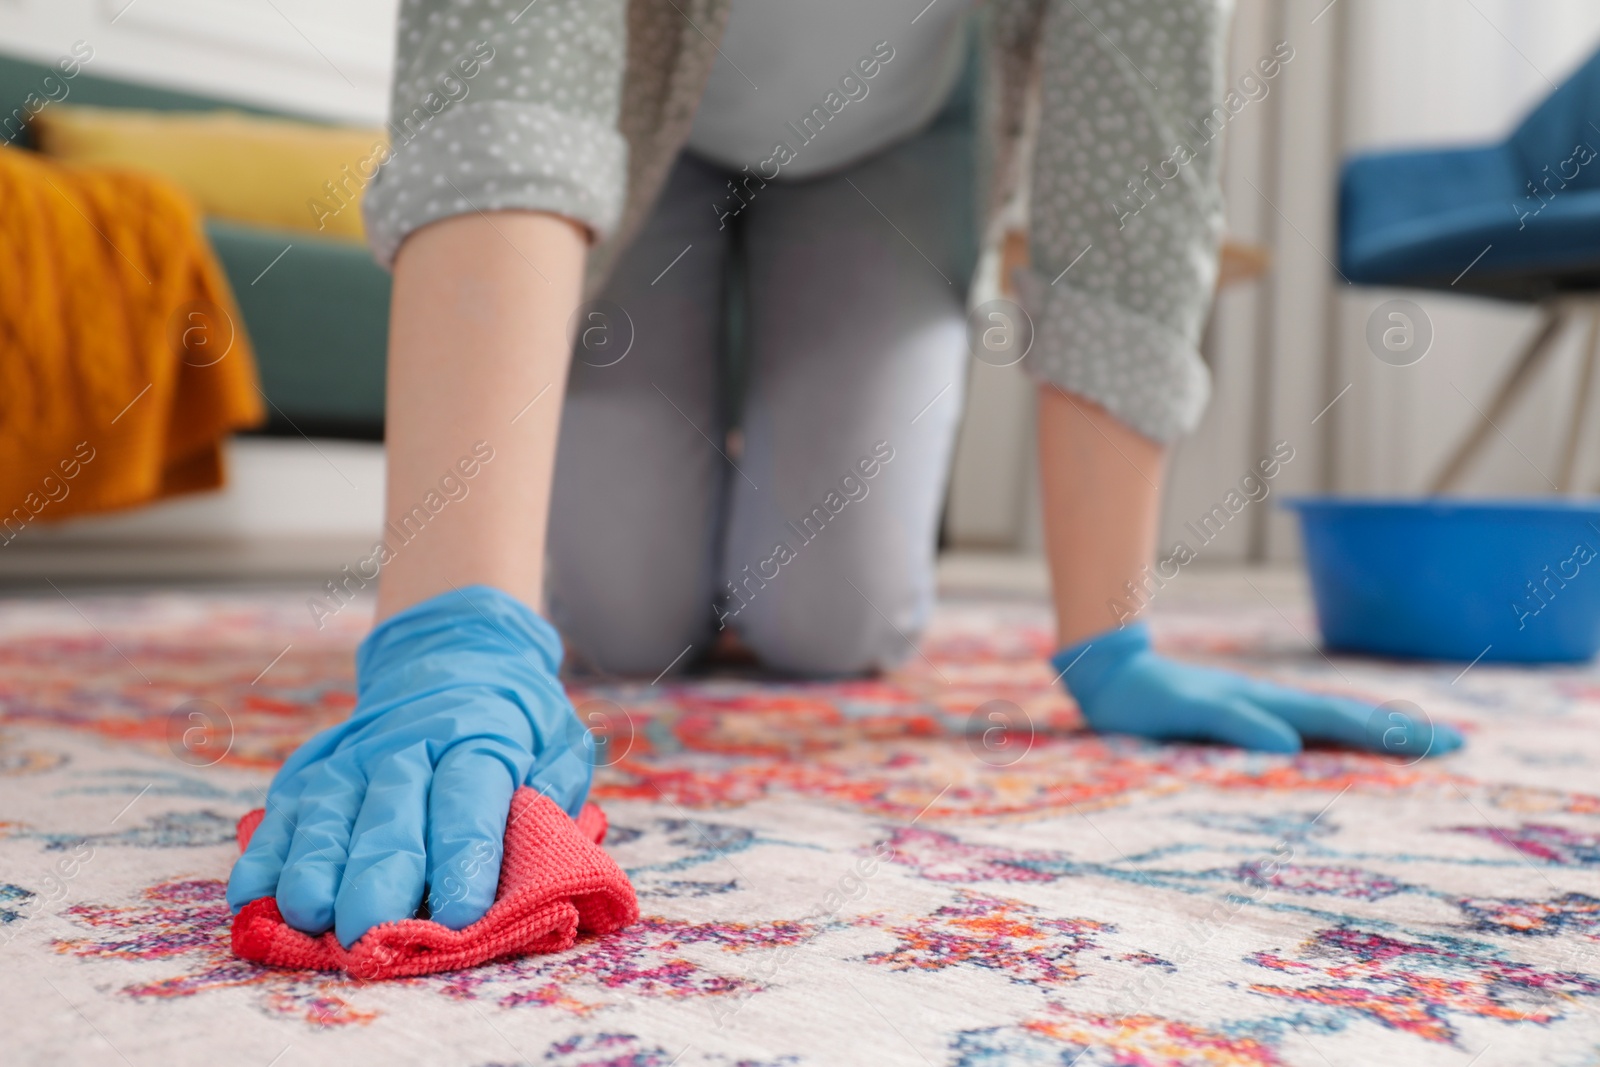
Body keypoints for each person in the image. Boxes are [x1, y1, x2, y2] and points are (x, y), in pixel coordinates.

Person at [228, 0, 1462, 950]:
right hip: (637, 113)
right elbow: (506, 80)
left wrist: (1110, 636)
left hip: (891, 144)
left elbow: (1135, 170)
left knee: (830, 617)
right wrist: (452, 631)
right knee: (622, 615)